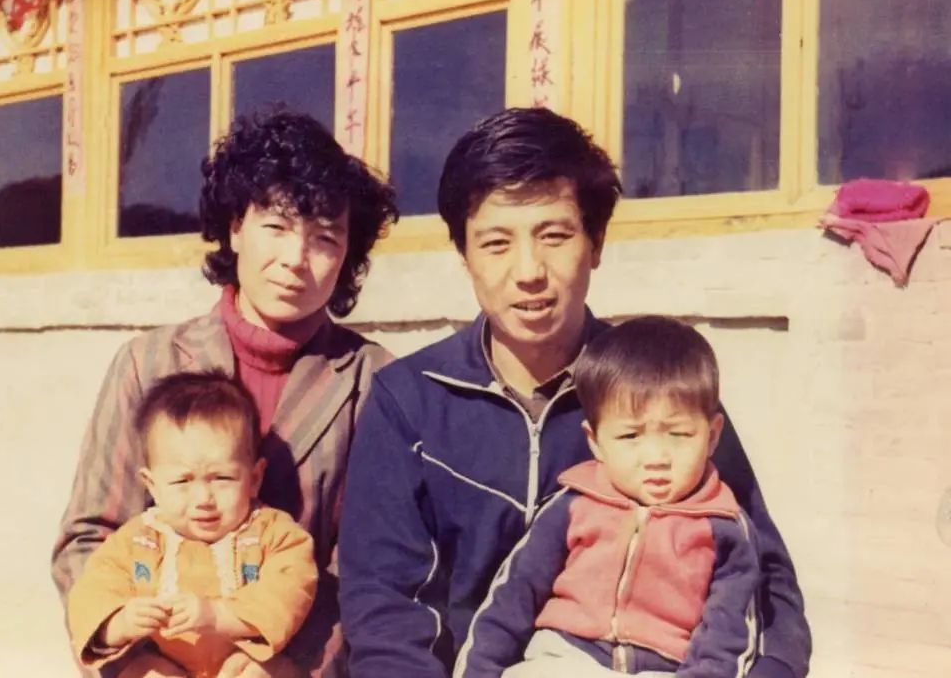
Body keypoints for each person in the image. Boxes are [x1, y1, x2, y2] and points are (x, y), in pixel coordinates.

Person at [337, 107, 810, 678]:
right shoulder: (409, 400)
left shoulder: (657, 390)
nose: (529, 271)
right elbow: (384, 608)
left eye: (554, 236)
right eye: (496, 243)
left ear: (596, 242)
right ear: (464, 256)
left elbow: (769, 593)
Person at [53, 109, 398, 678]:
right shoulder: (147, 363)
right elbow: (90, 537)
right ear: (236, 226)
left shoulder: (376, 383)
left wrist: (287, 665)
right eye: (277, 227)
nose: (295, 259)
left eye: (324, 238)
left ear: (347, 255)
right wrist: (135, 663)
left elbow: (371, 568)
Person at [456, 316, 763, 678]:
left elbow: (727, 636)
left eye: (679, 434)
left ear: (711, 436)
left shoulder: (724, 525)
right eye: (630, 436)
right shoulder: (573, 505)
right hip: (564, 657)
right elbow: (512, 597)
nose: (656, 458)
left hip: (665, 667)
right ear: (595, 442)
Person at [68, 371, 318, 677]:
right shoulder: (137, 540)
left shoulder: (274, 534)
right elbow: (92, 590)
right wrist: (119, 623)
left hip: (243, 661)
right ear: (152, 485)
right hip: (163, 664)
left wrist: (220, 616)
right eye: (182, 482)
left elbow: (291, 589)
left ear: (254, 478)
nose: (203, 499)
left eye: (222, 478)